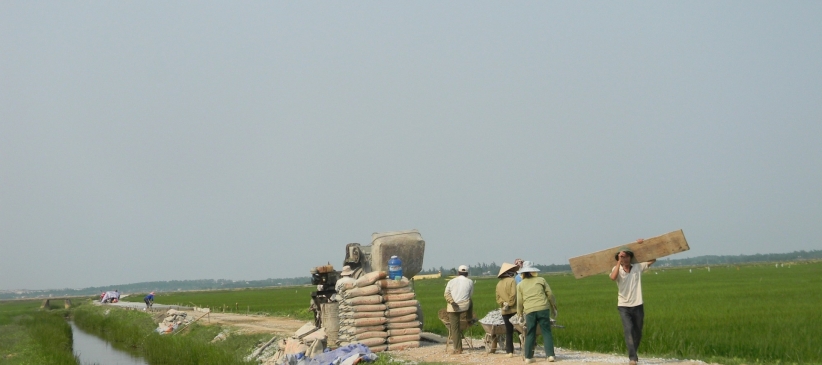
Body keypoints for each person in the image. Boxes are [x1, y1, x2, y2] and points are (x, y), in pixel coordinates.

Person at [609, 242, 656, 365]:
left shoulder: (637, 267)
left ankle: (633, 353)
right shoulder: (616, 269)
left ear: (630, 257)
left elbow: (653, 259)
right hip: (624, 306)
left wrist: (642, 245)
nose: (625, 258)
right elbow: (613, 278)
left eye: (626, 256)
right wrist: (619, 261)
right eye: (622, 257)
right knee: (628, 329)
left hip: (638, 304)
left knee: (638, 331)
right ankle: (632, 358)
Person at [516, 261, 558, 363]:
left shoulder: (520, 285)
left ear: (523, 273)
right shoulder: (541, 280)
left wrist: (520, 314)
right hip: (543, 308)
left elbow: (520, 301)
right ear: (532, 271)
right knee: (546, 331)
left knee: (530, 332)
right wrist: (554, 307)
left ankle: (528, 357)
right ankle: (550, 355)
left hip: (530, 310)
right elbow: (550, 294)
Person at [444, 264, 474, 355]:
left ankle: (458, 349)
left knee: (455, 328)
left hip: (453, 308)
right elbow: (470, 295)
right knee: (470, 301)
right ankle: (469, 319)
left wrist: (452, 301)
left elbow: (446, 294)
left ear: (458, 273)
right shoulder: (470, 282)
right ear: (467, 274)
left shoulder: (451, 281)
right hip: (465, 306)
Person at [495, 262, 519, 357]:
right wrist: (510, 303)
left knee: (509, 331)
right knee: (520, 330)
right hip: (514, 309)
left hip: (504, 311)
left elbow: (498, 298)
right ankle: (524, 348)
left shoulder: (498, 284)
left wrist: (504, 303)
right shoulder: (512, 281)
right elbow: (513, 294)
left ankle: (509, 351)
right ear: (509, 272)